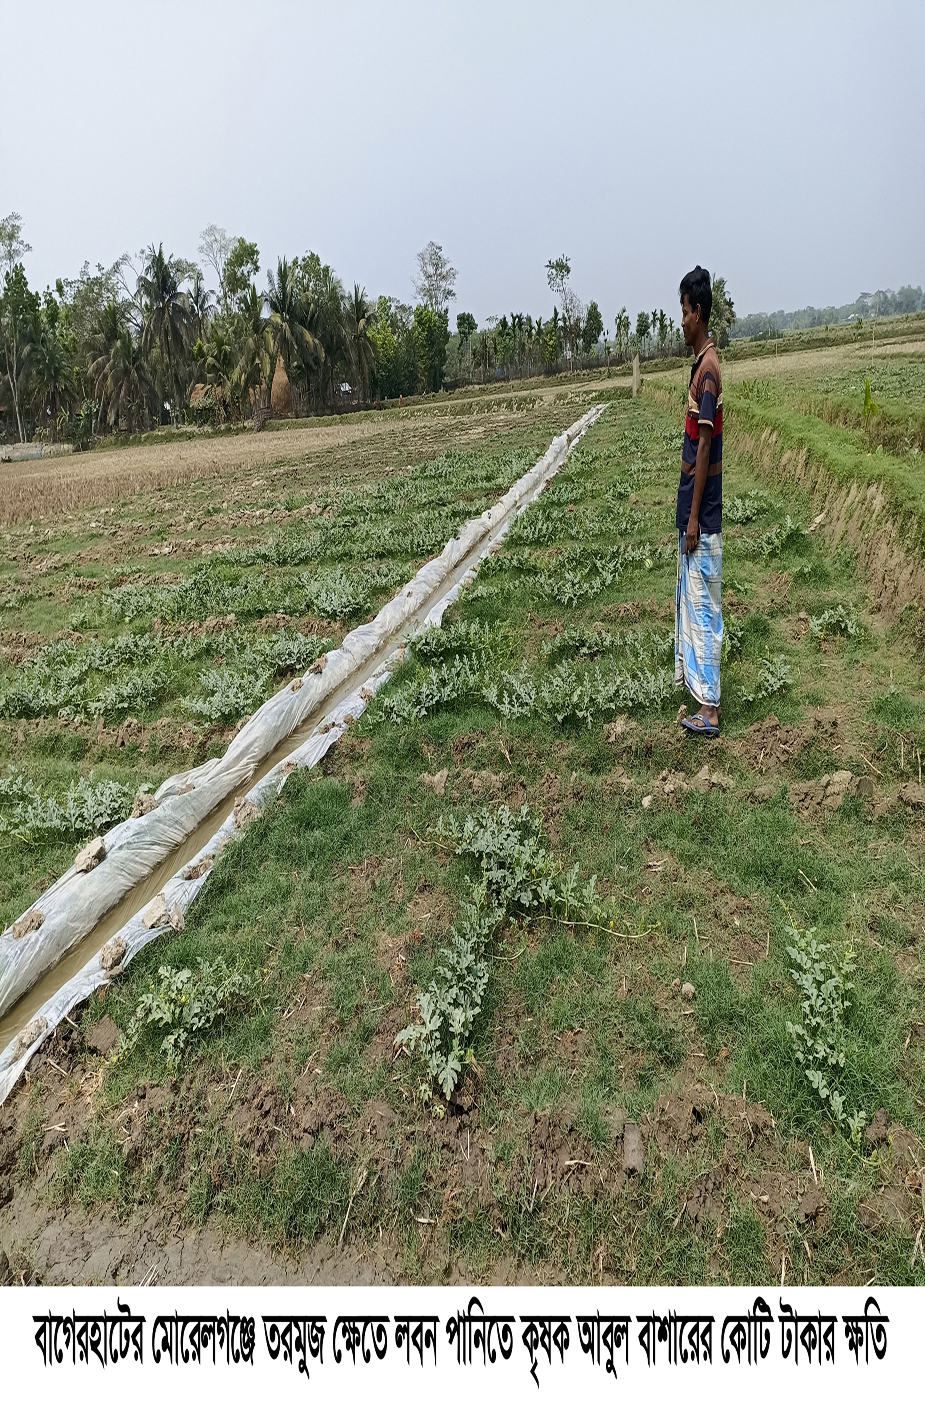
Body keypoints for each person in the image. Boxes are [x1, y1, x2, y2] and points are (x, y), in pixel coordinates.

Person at [675, 265, 723, 735]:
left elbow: (704, 446)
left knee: (705, 607)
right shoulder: (702, 365)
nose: (682, 320)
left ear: (700, 312)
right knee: (695, 603)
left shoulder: (708, 371)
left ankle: (710, 710)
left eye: (686, 311)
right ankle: (701, 696)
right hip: (696, 510)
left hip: (702, 515)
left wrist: (693, 520)